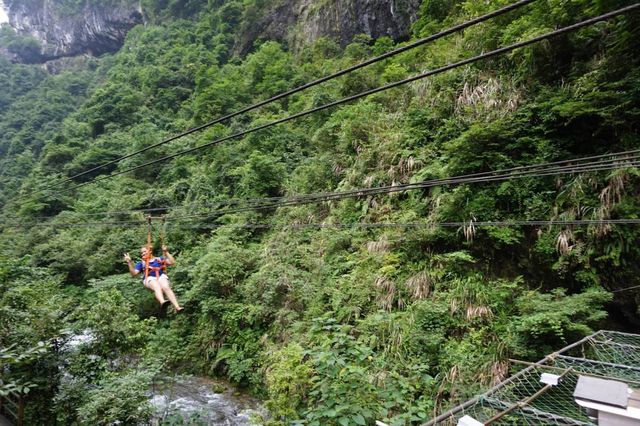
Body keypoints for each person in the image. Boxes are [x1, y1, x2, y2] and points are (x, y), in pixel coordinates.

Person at [124, 245, 183, 311]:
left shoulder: (159, 259)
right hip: (149, 278)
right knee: (156, 286)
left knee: (166, 287)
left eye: (144, 251)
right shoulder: (142, 263)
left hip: (160, 276)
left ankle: (177, 307)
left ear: (150, 251)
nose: (143, 254)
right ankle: (162, 301)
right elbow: (134, 274)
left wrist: (166, 252)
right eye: (141, 253)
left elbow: (172, 262)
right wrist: (129, 262)